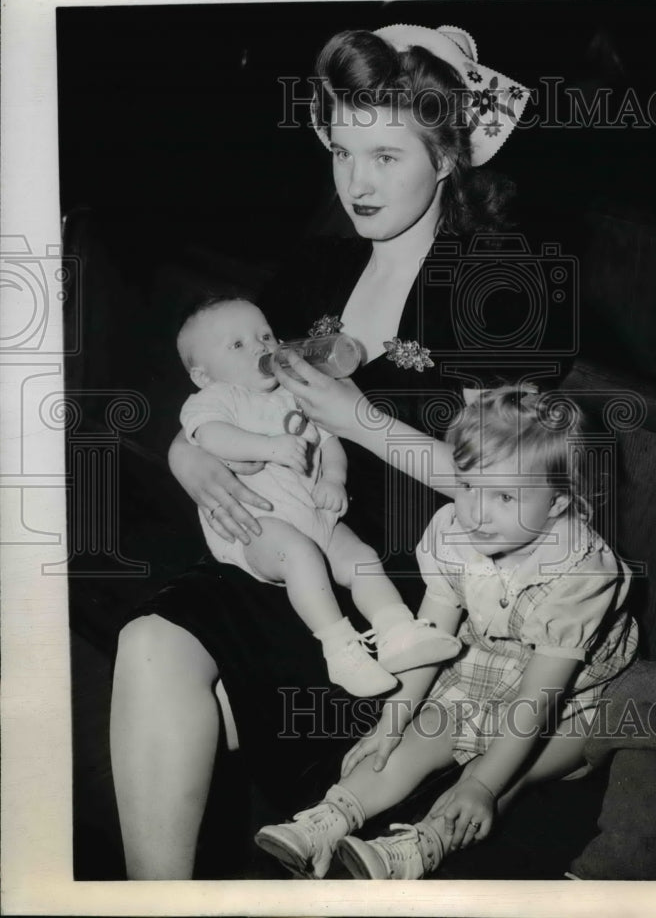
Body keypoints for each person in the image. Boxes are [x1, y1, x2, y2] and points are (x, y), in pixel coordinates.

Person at [110, 23, 546, 880]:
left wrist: (357, 417)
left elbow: (504, 486)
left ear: (449, 154)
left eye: (386, 155)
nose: (356, 181)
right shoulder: (317, 267)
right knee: (149, 641)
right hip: (291, 541)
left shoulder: (499, 280)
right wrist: (186, 459)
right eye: (343, 150)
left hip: (418, 582)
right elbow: (224, 390)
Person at [254, 387, 639, 879]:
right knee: (419, 733)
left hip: (574, 691)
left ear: (560, 502)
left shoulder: (581, 572)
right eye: (468, 486)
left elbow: (537, 699)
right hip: (489, 655)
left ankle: (417, 848)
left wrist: (482, 785)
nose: (476, 512)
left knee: (502, 771)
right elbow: (433, 632)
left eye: (504, 496)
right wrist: (394, 718)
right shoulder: (456, 532)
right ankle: (330, 818)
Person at [176, 294, 460, 696]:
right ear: (204, 376)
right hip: (257, 526)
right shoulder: (213, 400)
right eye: (237, 345)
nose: (261, 347)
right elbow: (211, 436)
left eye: (266, 335)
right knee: (301, 556)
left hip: (314, 514)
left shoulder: (294, 393)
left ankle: (397, 630)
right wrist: (271, 447)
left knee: (361, 558)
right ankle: (341, 650)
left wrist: (333, 479)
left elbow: (330, 442)